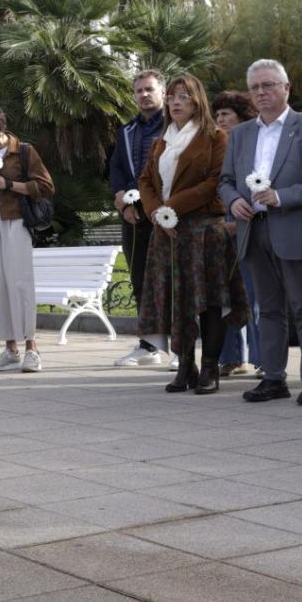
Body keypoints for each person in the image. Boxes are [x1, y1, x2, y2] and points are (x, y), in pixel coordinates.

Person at [219, 59, 302, 406]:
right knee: (267, 310)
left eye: (269, 85)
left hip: (294, 227)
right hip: (252, 231)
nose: (261, 92)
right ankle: (273, 378)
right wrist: (234, 201)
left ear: (286, 87)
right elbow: (225, 181)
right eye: (255, 87)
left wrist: (281, 197)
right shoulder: (241, 134)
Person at [135, 75, 249, 394]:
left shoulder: (216, 137)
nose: (175, 102)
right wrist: (157, 211)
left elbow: (214, 182)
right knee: (176, 301)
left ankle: (210, 366)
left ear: (197, 100)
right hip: (167, 231)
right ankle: (185, 364)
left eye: (183, 96)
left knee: (210, 300)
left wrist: (172, 207)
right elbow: (144, 181)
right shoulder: (161, 141)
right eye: (171, 96)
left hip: (204, 230)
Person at [0, 105, 54, 374]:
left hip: (15, 219)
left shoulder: (23, 151)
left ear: (1, 126)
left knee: (20, 282)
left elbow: (46, 186)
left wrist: (9, 185)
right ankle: (10, 349)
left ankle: (32, 348)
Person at [109, 70, 170, 367]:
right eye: (139, 91)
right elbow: (117, 169)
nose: (144, 95)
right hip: (134, 217)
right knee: (140, 279)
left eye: (149, 89)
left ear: (163, 92)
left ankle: (179, 347)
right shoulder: (126, 131)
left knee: (172, 279)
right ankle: (149, 345)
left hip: (169, 213)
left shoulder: (176, 126)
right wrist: (122, 200)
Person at [211, 91, 261, 378]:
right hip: (217, 232)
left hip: (247, 228)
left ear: (242, 117)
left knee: (253, 296)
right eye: (217, 115)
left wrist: (237, 222)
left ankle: (262, 359)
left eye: (226, 115)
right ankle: (231, 357)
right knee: (223, 296)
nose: (220, 120)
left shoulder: (252, 147)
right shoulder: (216, 148)